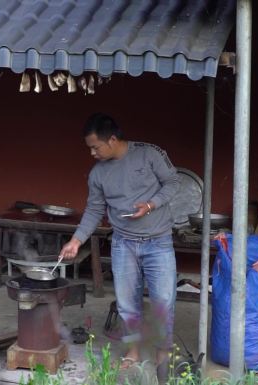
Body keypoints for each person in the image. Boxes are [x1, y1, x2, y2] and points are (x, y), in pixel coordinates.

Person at [59, 113, 180, 380]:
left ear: (112, 139)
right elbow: (94, 209)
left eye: (95, 147)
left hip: (158, 241)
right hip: (123, 243)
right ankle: (134, 351)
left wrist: (151, 204)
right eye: (89, 148)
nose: (92, 153)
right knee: (127, 304)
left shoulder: (148, 155)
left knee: (163, 302)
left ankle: (162, 352)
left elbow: (173, 183)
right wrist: (76, 240)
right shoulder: (98, 173)